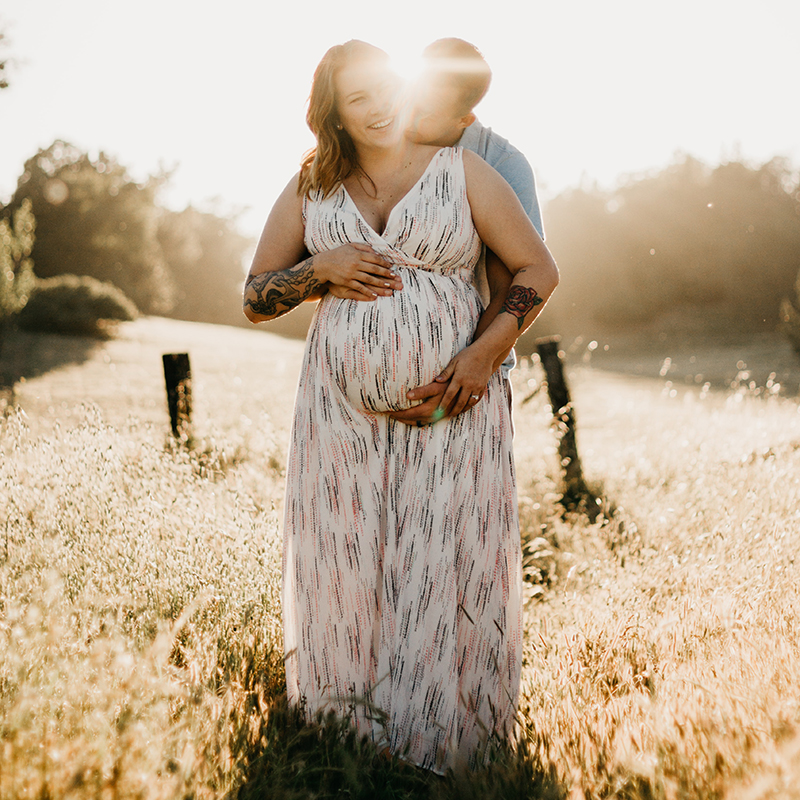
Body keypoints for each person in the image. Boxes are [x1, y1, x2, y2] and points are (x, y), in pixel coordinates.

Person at [243, 40, 558, 772]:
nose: (380, 104)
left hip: (455, 404)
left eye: (386, 86)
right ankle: (345, 733)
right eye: (360, 98)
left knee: (442, 559)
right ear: (335, 113)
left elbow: (538, 266)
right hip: (338, 414)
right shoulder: (308, 190)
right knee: (343, 560)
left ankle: (445, 741)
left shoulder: (465, 169)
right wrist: (316, 270)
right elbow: (256, 297)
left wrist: (481, 357)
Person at [328, 38, 545, 427]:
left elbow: (517, 281)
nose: (404, 115)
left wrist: (468, 369)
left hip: (468, 383)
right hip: (356, 408)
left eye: (424, 111)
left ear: (464, 119)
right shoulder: (389, 148)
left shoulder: (499, 164)